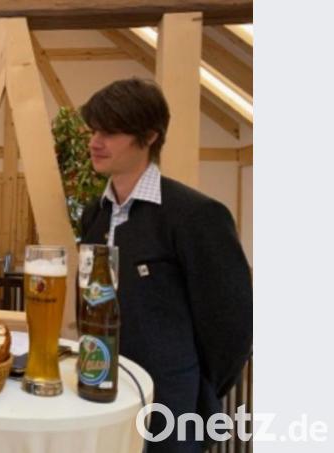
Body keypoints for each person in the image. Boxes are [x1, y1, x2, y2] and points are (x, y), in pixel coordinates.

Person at [78, 78, 252, 452]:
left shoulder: (195, 216)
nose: (95, 141)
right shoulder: (95, 214)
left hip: (169, 405)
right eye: (94, 130)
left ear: (150, 136)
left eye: (110, 132)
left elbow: (232, 325)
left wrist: (196, 388)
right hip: (102, 393)